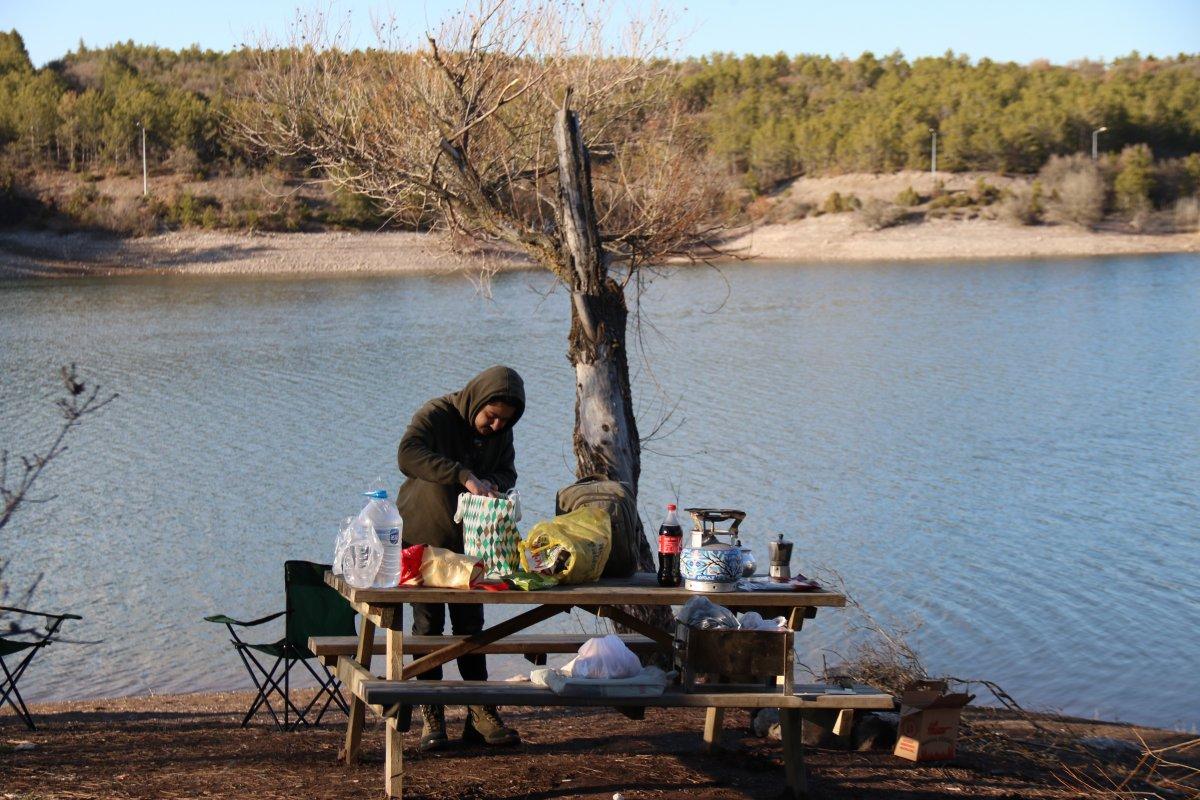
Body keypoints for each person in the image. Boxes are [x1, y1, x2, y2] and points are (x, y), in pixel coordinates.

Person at [396, 365, 525, 752]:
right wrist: (462, 474)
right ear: (477, 401)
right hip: (426, 536)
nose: (496, 425)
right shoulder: (437, 414)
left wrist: (493, 485)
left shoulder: (502, 433)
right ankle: (431, 714)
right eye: (491, 416)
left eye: (505, 419)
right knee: (428, 624)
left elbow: (507, 471)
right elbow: (407, 454)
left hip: (475, 541)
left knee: (471, 624)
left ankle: (480, 712)